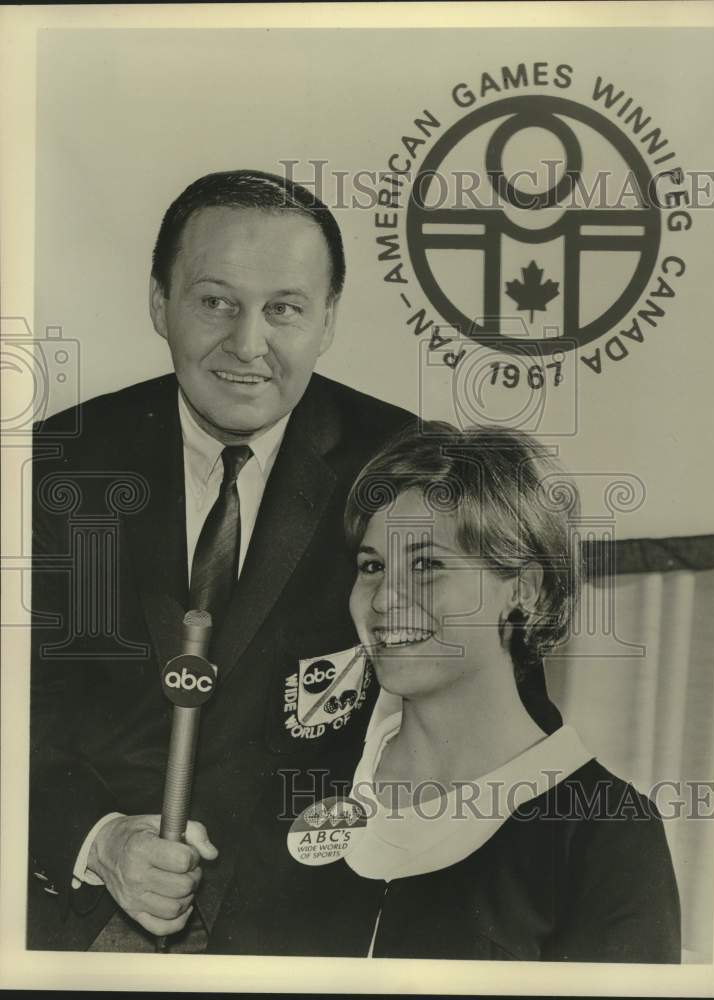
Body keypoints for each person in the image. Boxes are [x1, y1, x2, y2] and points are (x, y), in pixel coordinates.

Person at [28, 169, 413, 951]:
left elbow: (472, 714)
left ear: (329, 318)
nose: (247, 344)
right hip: (74, 921)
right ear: (158, 302)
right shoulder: (55, 465)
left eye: (285, 309)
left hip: (308, 931)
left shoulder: (405, 466)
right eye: (215, 301)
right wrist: (101, 839)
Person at [210, 422, 681, 962]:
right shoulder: (303, 786)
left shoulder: (605, 831)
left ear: (523, 589)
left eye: (427, 565)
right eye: (372, 566)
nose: (386, 598)